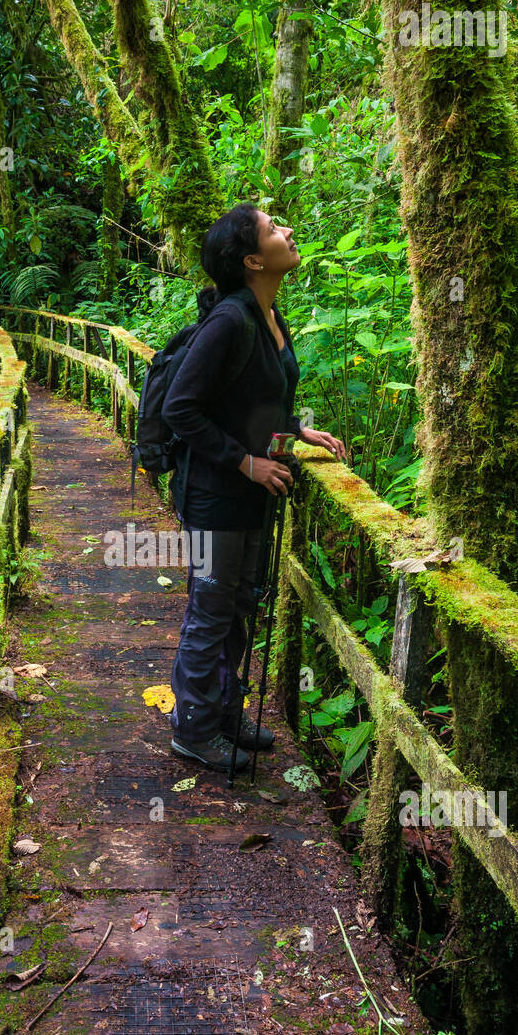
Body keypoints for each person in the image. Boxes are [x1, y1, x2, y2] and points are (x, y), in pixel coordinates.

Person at [161, 201, 347, 771]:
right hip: (216, 495)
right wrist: (245, 463)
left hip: (248, 497)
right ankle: (193, 728)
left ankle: (223, 709)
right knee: (212, 610)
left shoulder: (269, 316)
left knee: (240, 605)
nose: (286, 231)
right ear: (251, 260)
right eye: (272, 229)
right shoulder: (229, 321)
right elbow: (180, 409)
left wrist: (297, 429)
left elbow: (252, 398)